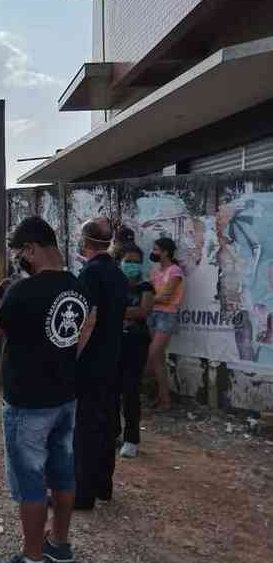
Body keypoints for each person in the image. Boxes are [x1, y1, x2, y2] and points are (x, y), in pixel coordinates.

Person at [0, 216, 94, 563]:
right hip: (64, 397)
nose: (19, 261)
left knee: (30, 483)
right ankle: (59, 544)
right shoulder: (78, 287)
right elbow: (83, 331)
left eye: (20, 254)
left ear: (31, 249)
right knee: (62, 474)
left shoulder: (22, 292)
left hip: (28, 403)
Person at [73, 217, 129, 511]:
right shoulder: (117, 274)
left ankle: (83, 494)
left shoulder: (90, 274)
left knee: (84, 428)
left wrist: (73, 357)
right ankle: (103, 486)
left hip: (92, 362)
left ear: (85, 242)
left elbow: (88, 321)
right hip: (112, 359)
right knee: (107, 424)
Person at [117, 245, 154, 458]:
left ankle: (131, 439)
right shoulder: (116, 285)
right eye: (128, 260)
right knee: (111, 391)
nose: (132, 265)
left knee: (130, 392)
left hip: (136, 344)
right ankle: (113, 432)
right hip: (115, 343)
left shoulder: (145, 287)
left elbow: (144, 310)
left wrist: (116, 311)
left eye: (136, 261)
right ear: (120, 261)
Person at [145, 237, 185, 411]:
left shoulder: (175, 271)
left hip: (167, 315)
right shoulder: (155, 270)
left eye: (156, 249)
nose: (153, 252)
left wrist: (146, 302)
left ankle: (163, 399)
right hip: (154, 314)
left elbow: (166, 296)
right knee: (158, 360)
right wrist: (150, 301)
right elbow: (154, 295)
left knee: (153, 354)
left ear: (165, 252)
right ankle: (164, 399)